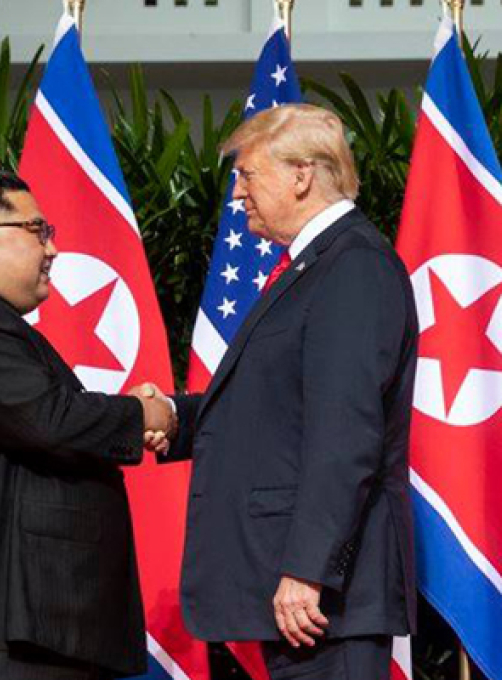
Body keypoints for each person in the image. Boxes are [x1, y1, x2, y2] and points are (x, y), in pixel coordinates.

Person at [141, 104, 418, 680]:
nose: (237, 195)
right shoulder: (314, 266)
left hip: (322, 601)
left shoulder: (353, 267)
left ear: (302, 174)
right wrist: (172, 415)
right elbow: (273, 410)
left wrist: (307, 570)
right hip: (299, 596)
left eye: (247, 175)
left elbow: (346, 434)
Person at [0, 169, 174, 680]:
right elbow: (49, 420)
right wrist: (143, 415)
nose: (51, 250)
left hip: (30, 627)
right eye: (37, 231)